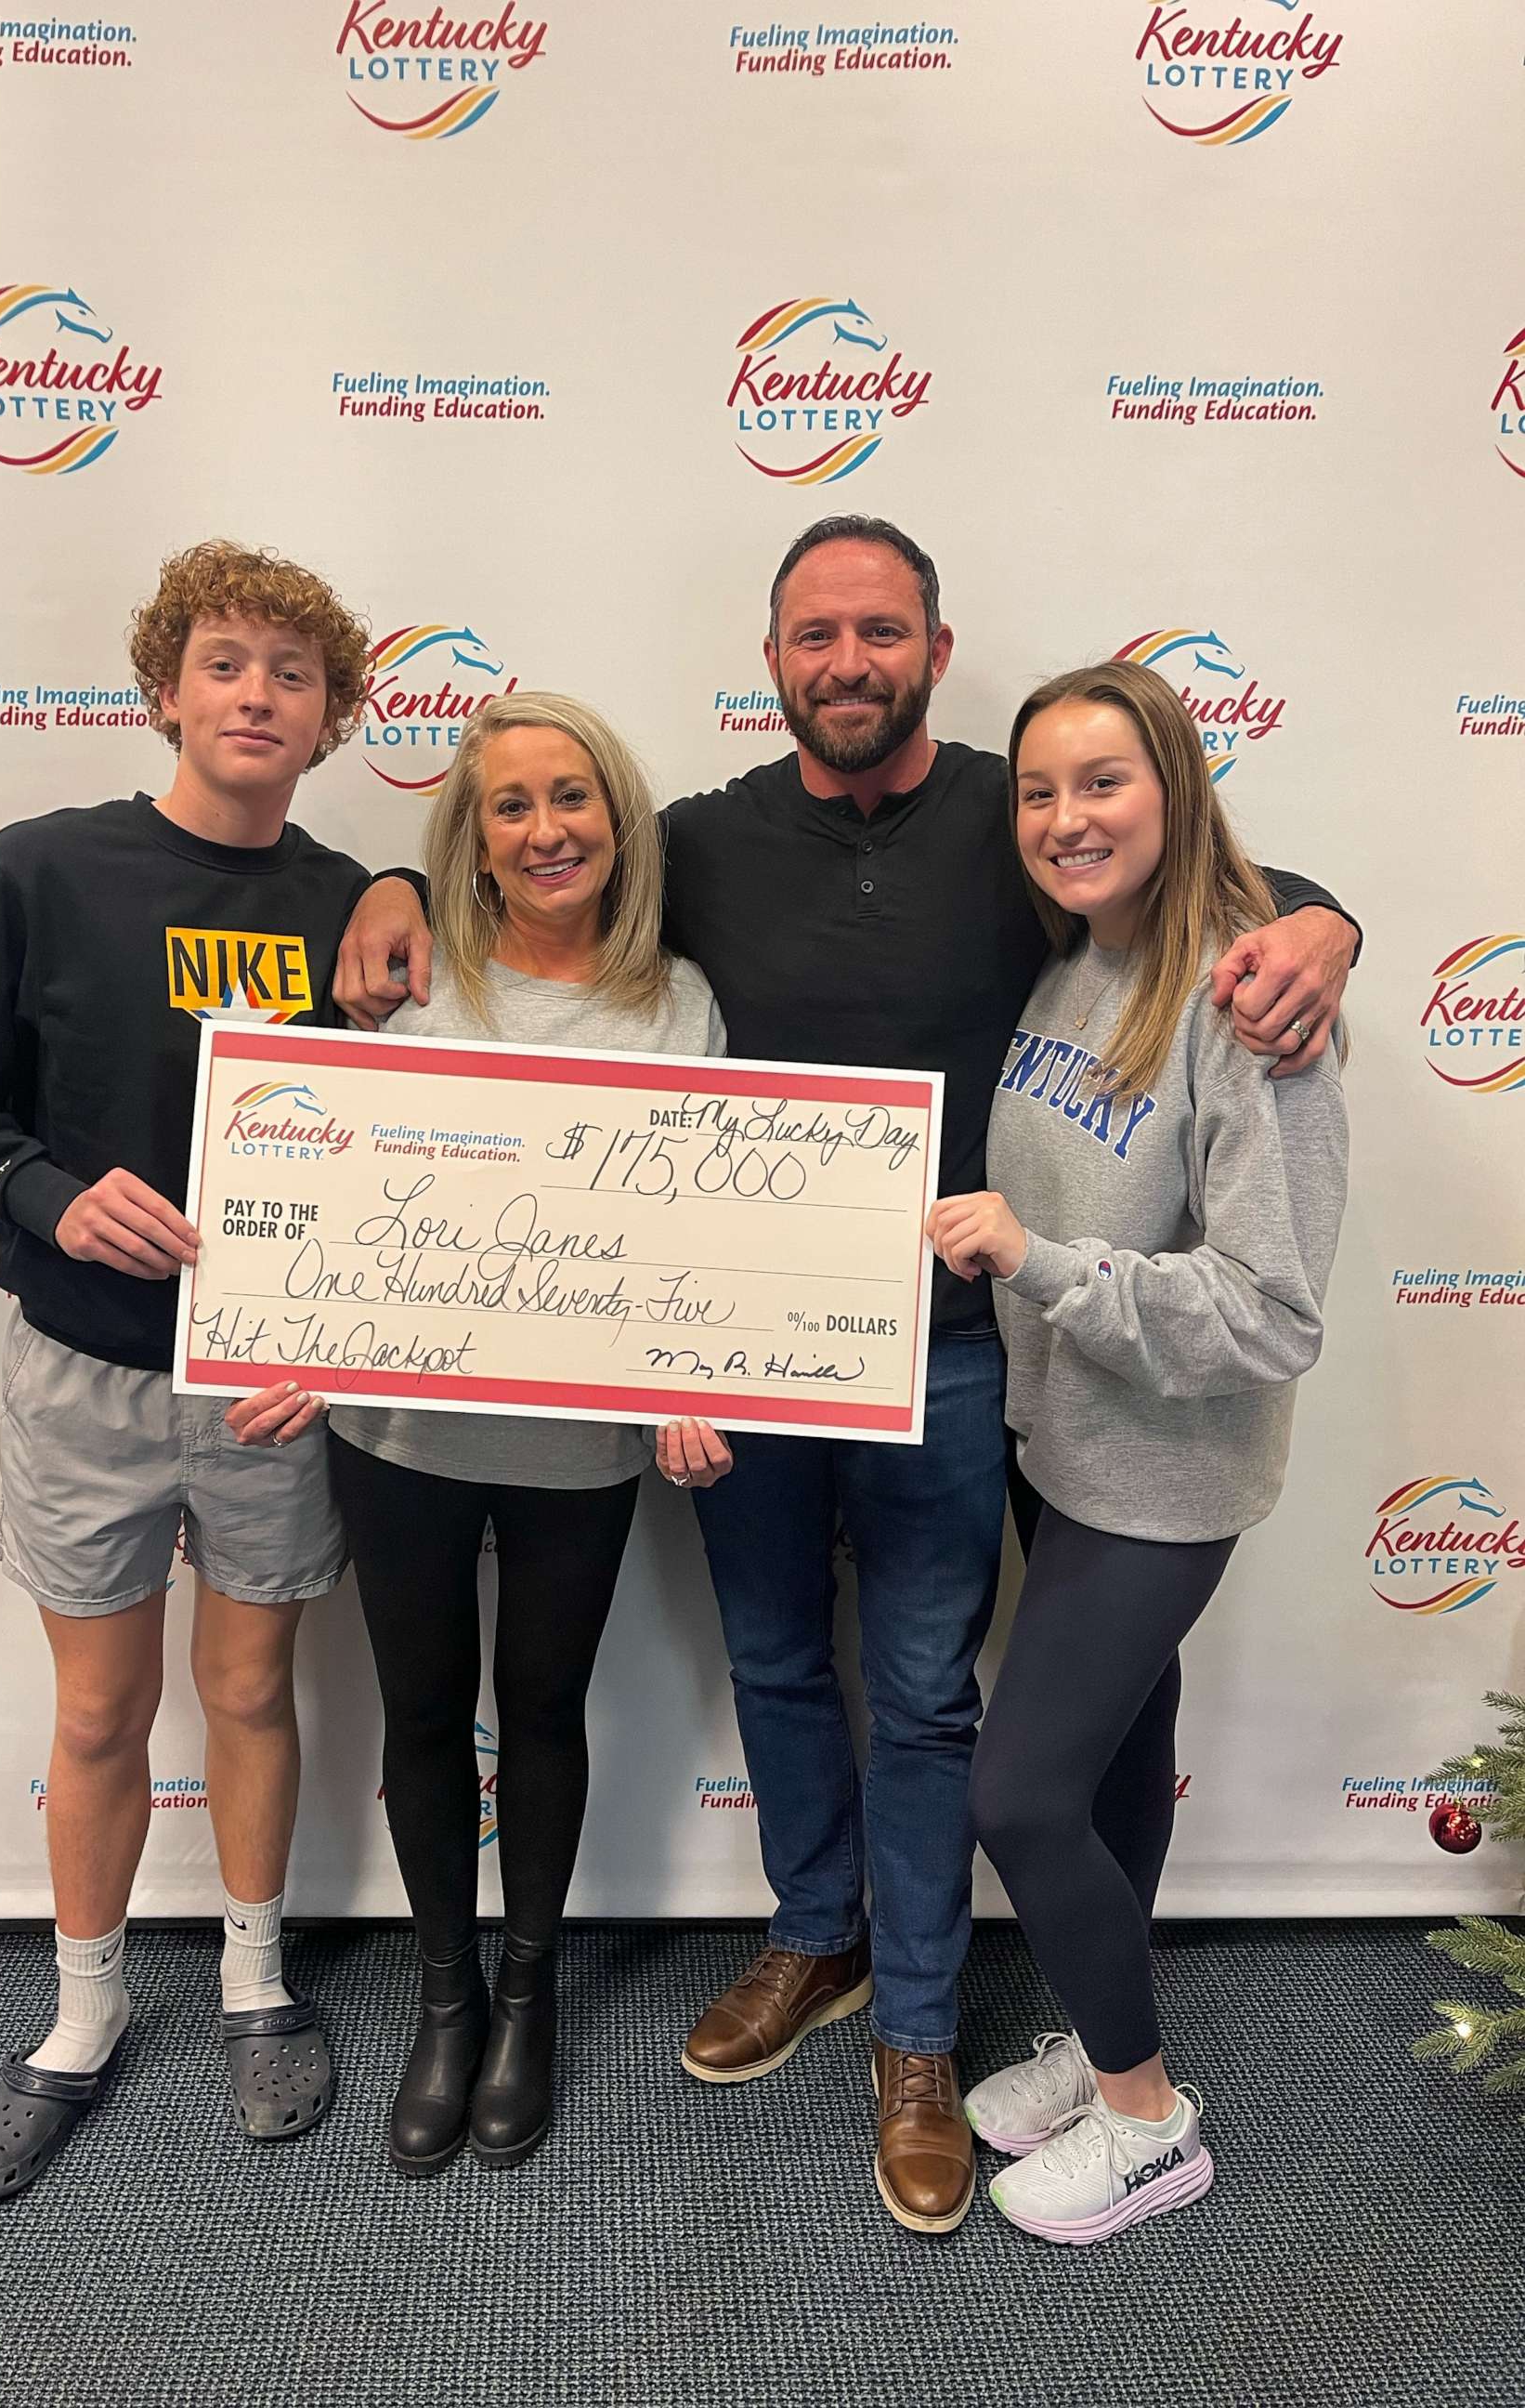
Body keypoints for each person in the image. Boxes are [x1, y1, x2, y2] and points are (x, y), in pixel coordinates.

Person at [329, 517, 1362, 2234]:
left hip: (963, 1348)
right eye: (817, 634)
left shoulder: (1019, 818)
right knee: (773, 1662)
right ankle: (814, 1936)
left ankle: (920, 2034)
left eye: (883, 631)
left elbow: (1200, 881)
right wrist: (377, 884)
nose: (850, 662)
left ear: (937, 653)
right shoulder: (701, 842)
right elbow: (523, 860)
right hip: (748, 1343)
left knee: (932, 1695)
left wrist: (1329, 921)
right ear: (774, 657)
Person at [0, 541, 373, 2199]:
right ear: (163, 688)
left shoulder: (356, 905)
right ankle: (80, 2014)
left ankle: (253, 1981)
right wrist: (44, 1191)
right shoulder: (42, 868)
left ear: (331, 721)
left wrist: (352, 1326)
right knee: (99, 1708)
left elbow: (418, 1155)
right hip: (84, 1372)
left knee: (249, 1687)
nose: (256, 696)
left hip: (270, 1381)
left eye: (292, 677)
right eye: (226, 664)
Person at [230, 691, 733, 2176]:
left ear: (616, 815)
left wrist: (698, 1374)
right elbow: (329, 1174)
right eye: (509, 806)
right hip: (400, 1432)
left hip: (580, 1441)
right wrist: (297, 1325)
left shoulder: (679, 1001)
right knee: (424, 1713)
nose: (545, 829)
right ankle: (444, 2001)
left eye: (570, 796)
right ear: (471, 835)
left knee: (549, 1710)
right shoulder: (407, 979)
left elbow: (702, 1217)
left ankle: (528, 1997)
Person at [927, 661, 1348, 2243]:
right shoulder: (1073, 973)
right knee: (1106, 1762)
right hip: (1065, 1448)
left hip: (1163, 1483)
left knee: (1018, 1794)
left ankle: (1150, 2123)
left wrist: (1037, 1263)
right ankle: (1110, 2038)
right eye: (1039, 791)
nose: (1064, 816)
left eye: (1102, 781)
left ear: (1174, 785)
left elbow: (1269, 1315)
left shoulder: (1249, 1017)